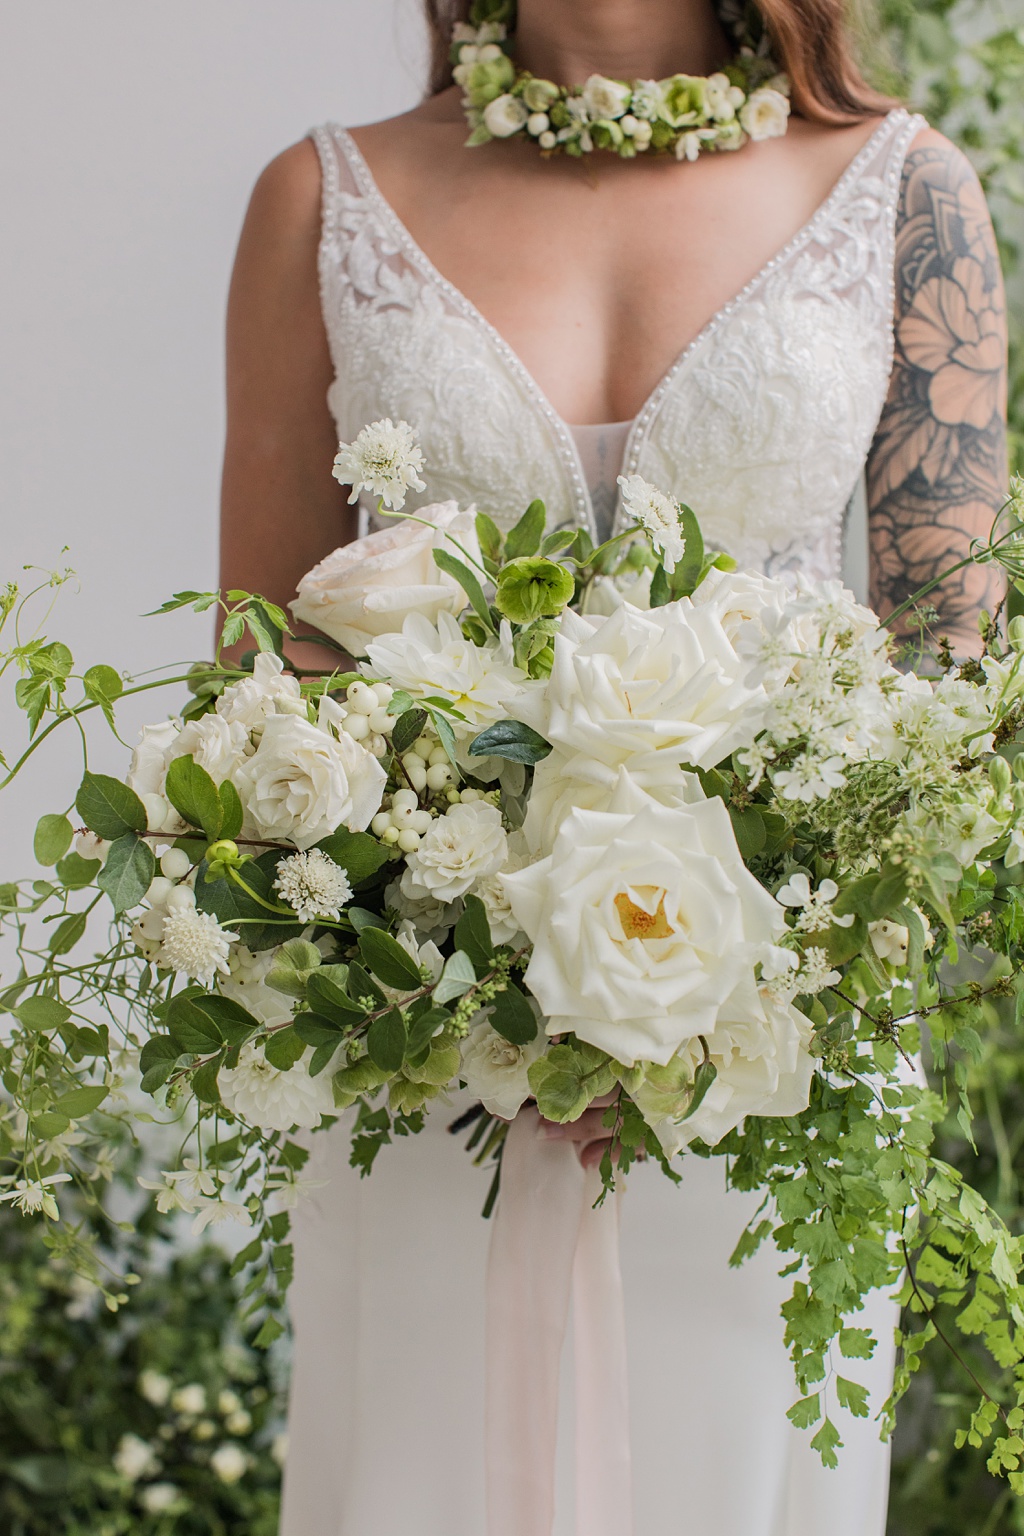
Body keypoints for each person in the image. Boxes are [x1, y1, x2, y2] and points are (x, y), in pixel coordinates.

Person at [219, 1, 1008, 1531]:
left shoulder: (905, 192)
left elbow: (953, 688)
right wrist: (466, 972)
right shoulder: (321, 200)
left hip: (779, 1056)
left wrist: (722, 994)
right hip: (426, 1050)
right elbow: (266, 679)